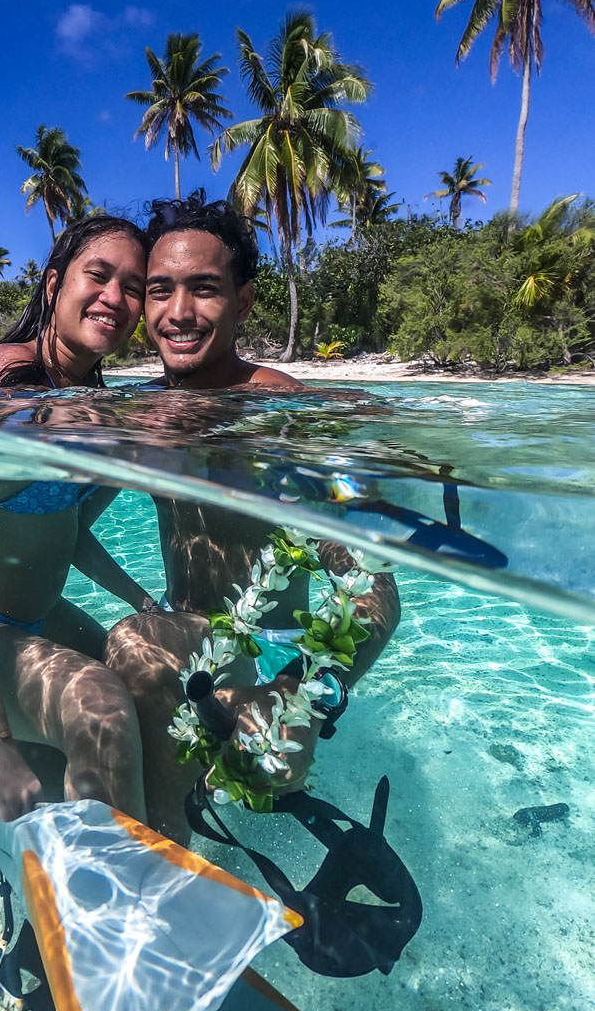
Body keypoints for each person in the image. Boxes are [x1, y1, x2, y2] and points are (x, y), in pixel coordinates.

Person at [103, 193, 401, 841]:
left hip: (275, 657)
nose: (178, 312)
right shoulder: (141, 414)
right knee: (132, 641)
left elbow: (374, 594)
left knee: (268, 771)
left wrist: (305, 688)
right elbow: (67, 516)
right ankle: (170, 841)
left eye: (204, 289)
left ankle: (218, 789)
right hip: (189, 637)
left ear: (243, 302)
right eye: (160, 291)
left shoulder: (288, 420)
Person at [0, 215, 155, 823]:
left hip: (29, 622)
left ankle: (127, 830)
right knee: (100, 707)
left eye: (134, 286)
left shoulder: (95, 407)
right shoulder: (7, 379)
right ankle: (111, 902)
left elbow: (68, 535)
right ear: (52, 286)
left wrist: (145, 603)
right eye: (97, 275)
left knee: (140, 682)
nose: (115, 298)